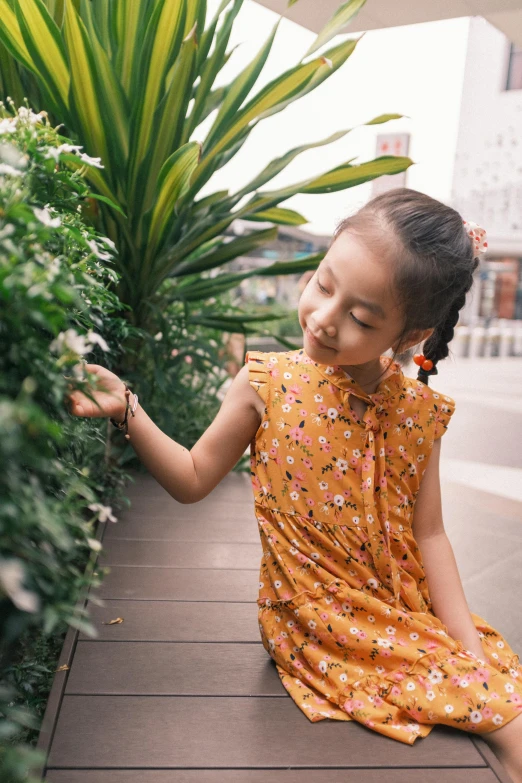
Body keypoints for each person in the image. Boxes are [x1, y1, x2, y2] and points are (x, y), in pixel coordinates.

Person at [65, 187, 522, 780]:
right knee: (507, 723)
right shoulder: (268, 383)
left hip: (399, 604)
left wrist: (465, 643)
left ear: (410, 336)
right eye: (324, 285)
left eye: (360, 317)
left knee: (497, 683)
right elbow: (194, 477)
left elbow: (429, 534)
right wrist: (127, 407)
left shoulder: (419, 412)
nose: (325, 319)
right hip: (316, 618)